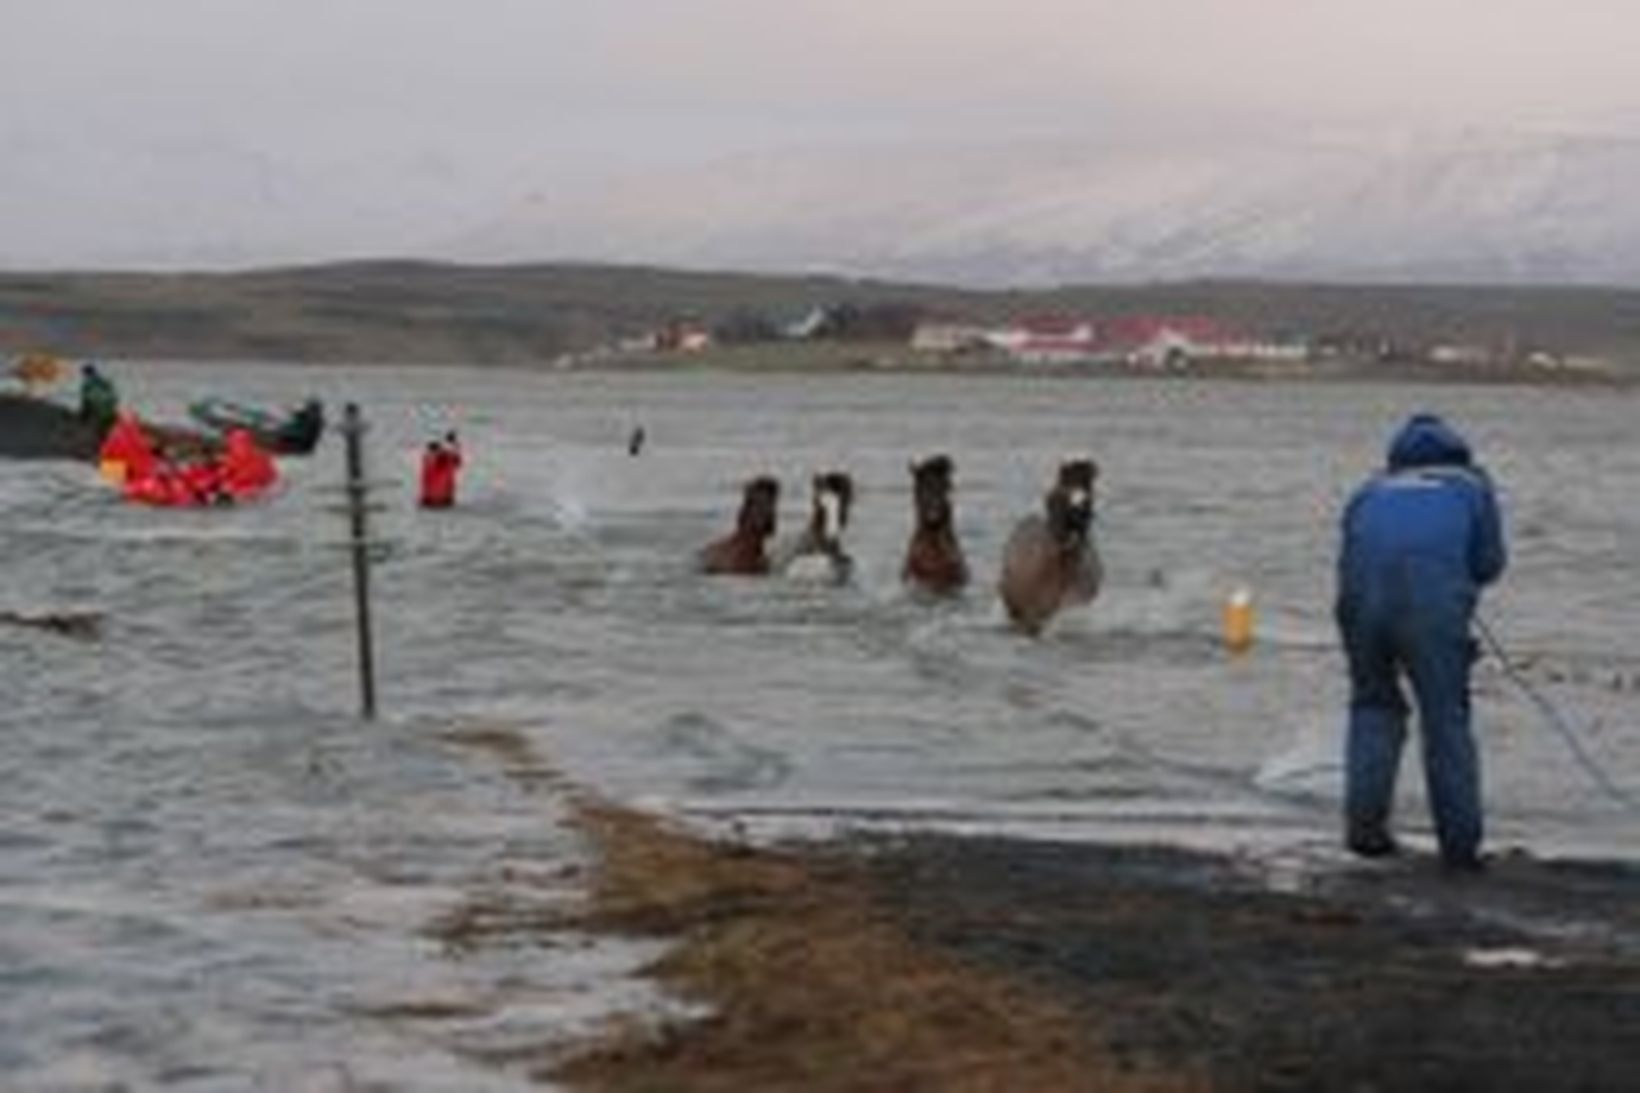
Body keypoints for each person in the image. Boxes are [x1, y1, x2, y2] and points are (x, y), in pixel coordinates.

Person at [1335, 413, 1507, 871]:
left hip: (1360, 604)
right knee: (1445, 719)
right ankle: (1459, 848)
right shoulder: (1472, 486)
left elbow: (1350, 554)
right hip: (1431, 608)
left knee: (1373, 707)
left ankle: (1364, 834)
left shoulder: (1369, 490)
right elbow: (1490, 563)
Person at [419, 431, 463, 509]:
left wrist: (453, 444)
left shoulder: (430, 459)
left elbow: (456, 459)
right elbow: (457, 460)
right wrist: (453, 443)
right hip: (436, 500)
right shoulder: (429, 459)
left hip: (437, 500)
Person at [78, 363, 119, 437]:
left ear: (85, 374)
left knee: (102, 425)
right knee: (110, 421)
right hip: (110, 403)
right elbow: (112, 391)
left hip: (101, 406)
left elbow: (85, 402)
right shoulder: (103, 380)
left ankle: (105, 438)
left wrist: (83, 416)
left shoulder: (86, 384)